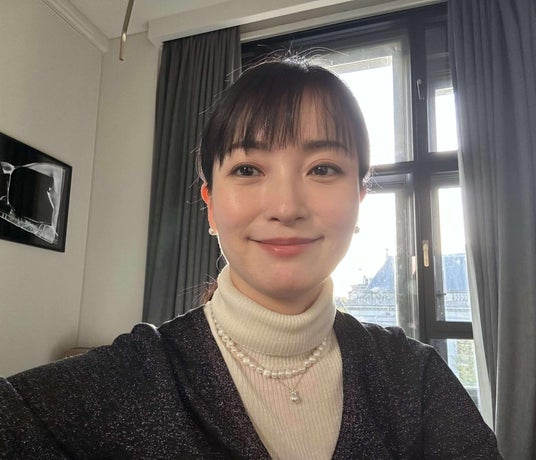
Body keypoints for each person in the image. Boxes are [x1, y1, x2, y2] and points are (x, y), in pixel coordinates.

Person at [0, 59, 501, 459]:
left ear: (359, 200)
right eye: (247, 169)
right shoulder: (126, 382)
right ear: (210, 206)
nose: (285, 207)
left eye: (323, 168)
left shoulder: (414, 378)